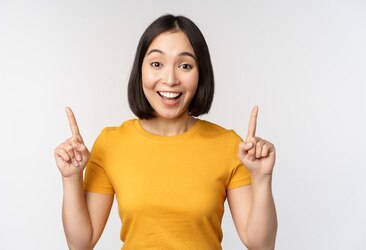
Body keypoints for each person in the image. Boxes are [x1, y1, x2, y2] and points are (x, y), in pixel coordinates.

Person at [54, 14, 277, 249]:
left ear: (201, 74)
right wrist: (70, 179)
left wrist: (262, 179)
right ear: (140, 69)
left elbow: (260, 245)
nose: (170, 79)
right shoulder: (111, 143)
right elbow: (81, 243)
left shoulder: (229, 145)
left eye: (185, 66)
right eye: (157, 64)